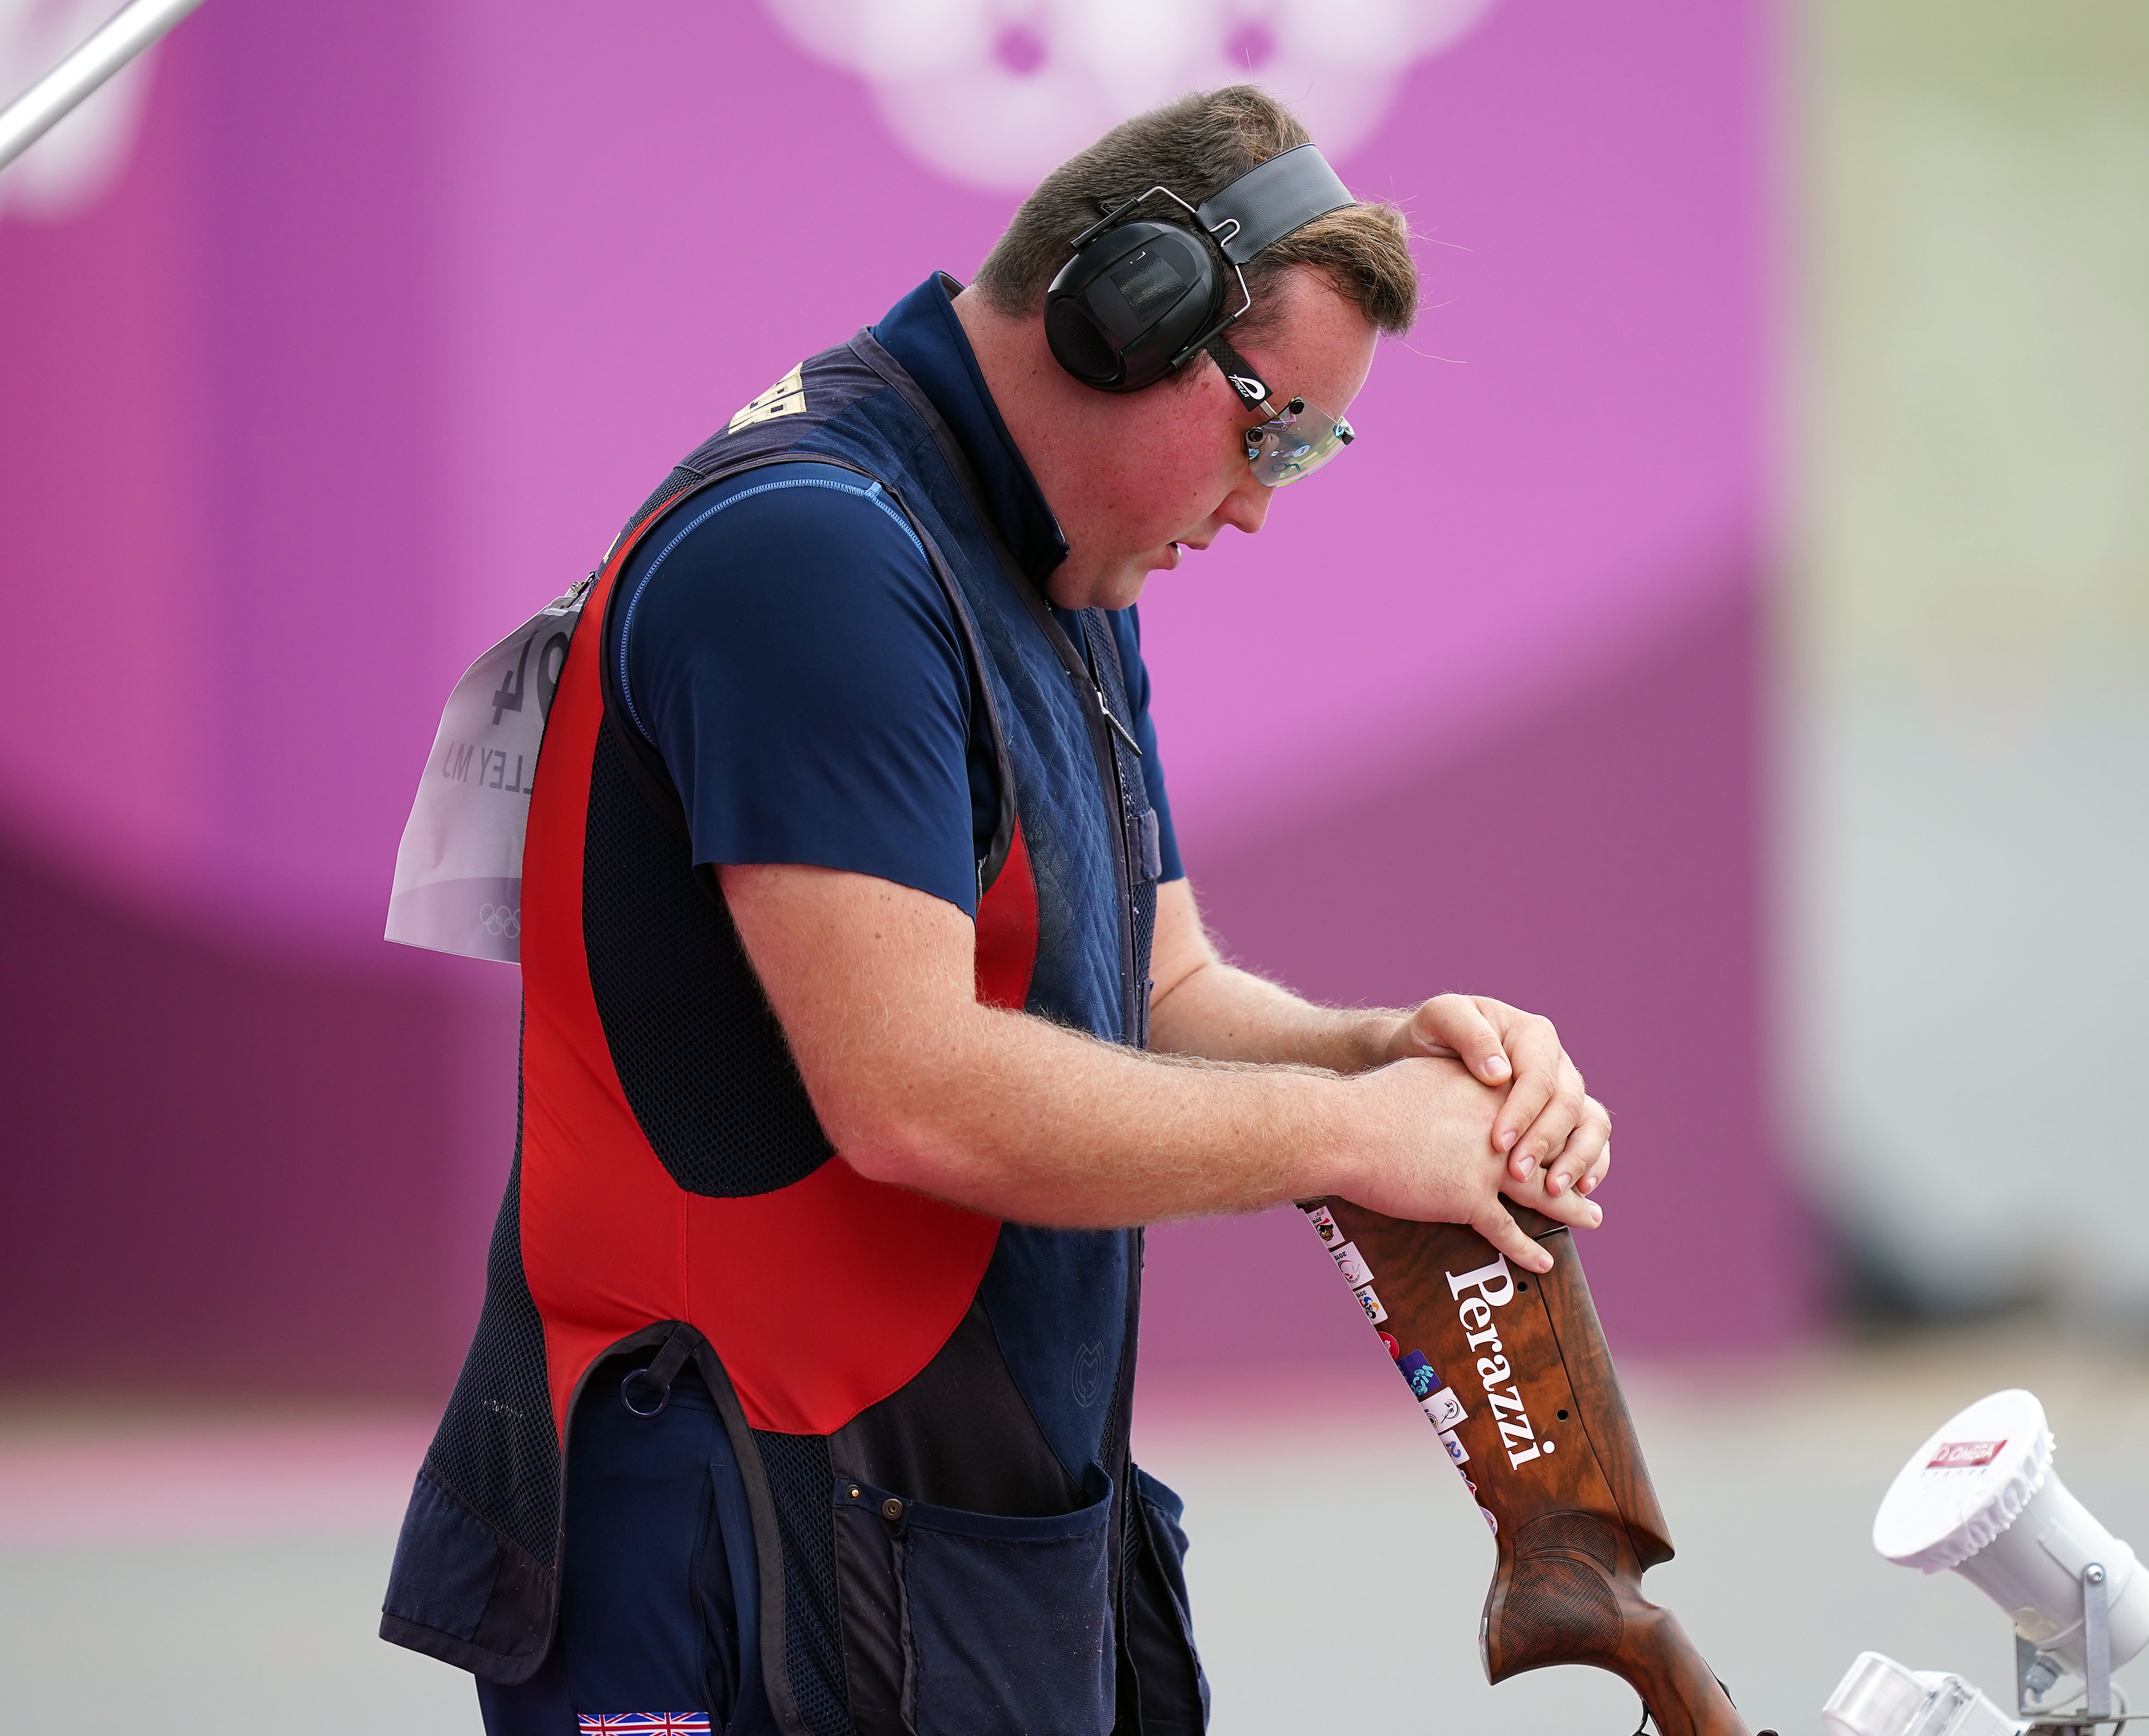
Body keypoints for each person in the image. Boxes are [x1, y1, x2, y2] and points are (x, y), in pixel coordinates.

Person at [381, 86, 1613, 1736]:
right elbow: (913, 1091)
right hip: (740, 1528)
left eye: (1312, 448)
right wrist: (1349, 1138)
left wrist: (1381, 1055)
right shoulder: (816, 556)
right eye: (1272, 432)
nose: (1262, 501)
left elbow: (1154, 984)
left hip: (934, 1524)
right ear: (1129, 320)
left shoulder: (1047, 552)